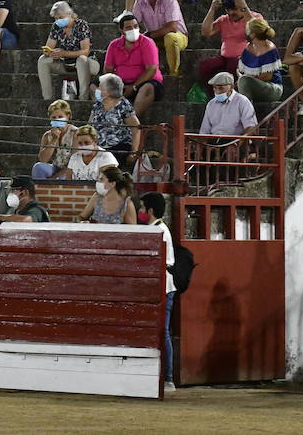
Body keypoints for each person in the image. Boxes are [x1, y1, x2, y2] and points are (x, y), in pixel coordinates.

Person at [140, 191, 179, 389]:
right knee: (162, 331)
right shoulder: (158, 228)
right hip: (163, 286)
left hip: (163, 287)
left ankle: (168, 377)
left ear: (150, 210)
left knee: (163, 332)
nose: (140, 211)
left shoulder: (159, 231)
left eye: (142, 208)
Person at [131, 0, 189, 78]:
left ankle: (173, 74)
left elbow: (172, 27)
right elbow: (134, 22)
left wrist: (149, 35)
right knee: (134, 41)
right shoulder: (140, 0)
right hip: (155, 39)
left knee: (170, 38)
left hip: (178, 35)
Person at [103, 13, 163, 119]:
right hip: (121, 83)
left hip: (144, 82)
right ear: (122, 31)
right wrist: (115, 87)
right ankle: (106, 117)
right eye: (129, 27)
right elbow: (108, 69)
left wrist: (134, 87)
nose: (133, 30)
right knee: (94, 86)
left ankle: (130, 121)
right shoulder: (114, 45)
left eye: (135, 26)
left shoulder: (147, 43)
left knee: (147, 88)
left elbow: (151, 69)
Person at [37, 1, 98, 100]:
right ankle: (47, 98)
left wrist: (64, 53)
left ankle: (83, 98)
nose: (57, 20)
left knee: (81, 59)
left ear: (69, 14)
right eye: (55, 18)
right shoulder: (56, 27)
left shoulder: (81, 25)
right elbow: (49, 46)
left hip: (88, 63)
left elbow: (85, 51)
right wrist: (49, 52)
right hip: (66, 63)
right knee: (42, 60)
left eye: (60, 17)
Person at [198, 0, 260, 85]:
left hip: (245, 58)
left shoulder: (255, 17)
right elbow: (206, 32)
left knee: (233, 66)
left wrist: (245, 8)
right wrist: (212, 9)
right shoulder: (224, 19)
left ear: (242, 7)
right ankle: (213, 95)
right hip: (225, 58)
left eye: (234, 9)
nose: (231, 13)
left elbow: (258, 31)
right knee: (206, 66)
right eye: (228, 9)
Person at [90, 74, 142, 165]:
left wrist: (134, 153)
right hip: (98, 148)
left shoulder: (122, 104)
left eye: (100, 87)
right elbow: (89, 125)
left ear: (108, 91)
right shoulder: (98, 104)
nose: (97, 89)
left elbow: (136, 129)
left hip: (118, 148)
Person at [236, 17, 284, 105]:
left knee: (244, 81)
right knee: (240, 82)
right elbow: (240, 69)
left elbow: (267, 77)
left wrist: (246, 77)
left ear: (253, 34)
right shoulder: (248, 48)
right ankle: (246, 110)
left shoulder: (269, 48)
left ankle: (246, 112)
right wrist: (243, 77)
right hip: (252, 84)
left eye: (247, 30)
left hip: (272, 88)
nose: (246, 32)